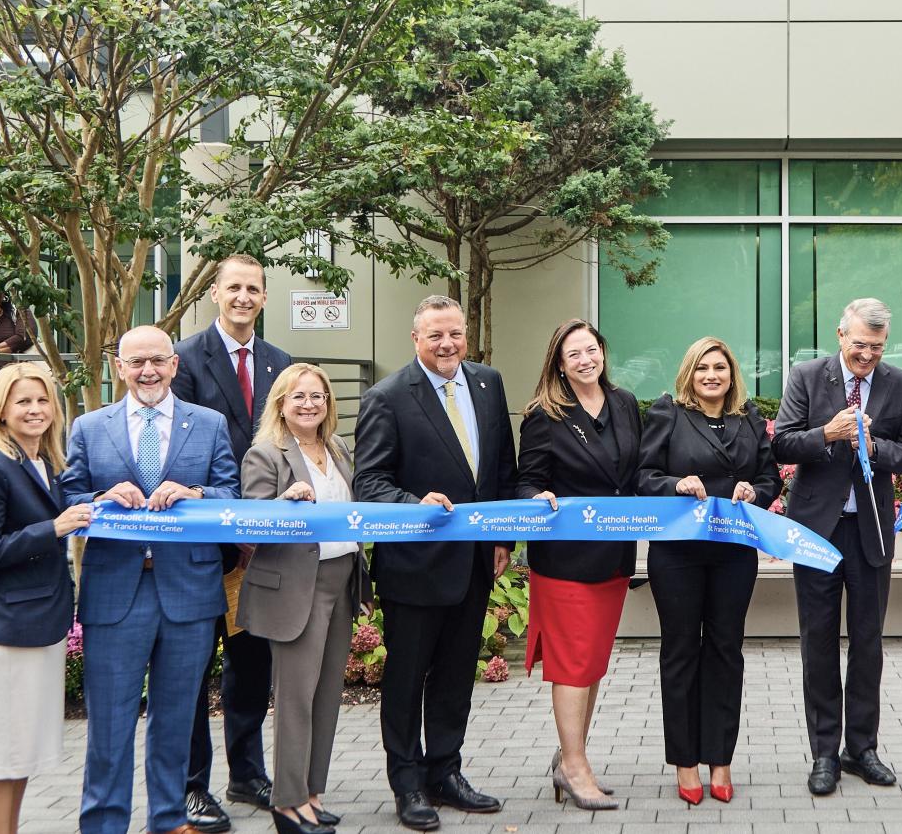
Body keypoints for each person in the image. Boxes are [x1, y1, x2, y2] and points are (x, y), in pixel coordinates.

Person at [62, 325, 240, 834]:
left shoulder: (207, 424)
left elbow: (231, 493)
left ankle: (167, 818)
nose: (148, 371)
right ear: (119, 367)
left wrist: (196, 493)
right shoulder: (89, 428)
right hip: (116, 593)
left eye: (157, 361)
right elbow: (68, 497)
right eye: (136, 362)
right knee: (110, 725)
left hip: (188, 592)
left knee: (176, 719)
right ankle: (103, 823)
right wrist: (98, 499)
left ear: (174, 365)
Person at [353, 295, 518, 831]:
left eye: (455, 334)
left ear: (466, 335)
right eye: (435, 336)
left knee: (454, 677)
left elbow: (501, 471)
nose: (446, 345)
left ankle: (446, 772)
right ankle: (407, 783)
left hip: (474, 563)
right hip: (415, 567)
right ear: (415, 339)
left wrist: (503, 539)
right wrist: (412, 504)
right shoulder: (388, 397)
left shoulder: (488, 384)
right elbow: (370, 482)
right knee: (406, 680)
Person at [771, 298, 902, 796]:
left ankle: (862, 748)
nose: (867, 356)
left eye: (876, 348)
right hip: (817, 530)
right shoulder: (806, 376)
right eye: (859, 345)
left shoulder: (901, 384)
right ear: (841, 335)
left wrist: (876, 449)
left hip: (870, 534)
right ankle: (823, 752)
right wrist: (827, 434)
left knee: (867, 643)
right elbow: (783, 444)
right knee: (817, 641)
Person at [172, 253, 292, 831]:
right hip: (205, 547)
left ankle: (247, 774)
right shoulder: (187, 359)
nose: (244, 297)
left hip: (260, 548)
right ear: (215, 294)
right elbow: (185, 446)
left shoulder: (280, 363)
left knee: (251, 665)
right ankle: (193, 785)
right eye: (234, 287)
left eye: (254, 288)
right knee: (195, 669)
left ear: (264, 297)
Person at [637, 337, 782, 805]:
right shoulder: (667, 413)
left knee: (725, 650)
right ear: (689, 373)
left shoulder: (749, 418)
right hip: (678, 551)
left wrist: (754, 492)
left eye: (720, 367)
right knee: (680, 651)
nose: (712, 375)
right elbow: (643, 476)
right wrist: (675, 482)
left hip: (733, 551)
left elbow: (770, 477)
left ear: (731, 373)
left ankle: (720, 759)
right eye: (702, 368)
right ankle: (684, 762)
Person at [0, 363, 92, 833]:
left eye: (42, 400)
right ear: (2, 411)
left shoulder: (47, 464)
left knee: (21, 756)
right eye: (23, 402)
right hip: (4, 631)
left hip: (37, 625)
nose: (35, 410)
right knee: (0, 756)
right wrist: (51, 529)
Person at [237, 364, 370, 834]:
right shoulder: (265, 454)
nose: (310, 404)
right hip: (297, 585)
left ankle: (313, 794)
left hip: (341, 579)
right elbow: (250, 521)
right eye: (299, 397)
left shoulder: (336, 448)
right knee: (296, 699)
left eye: (318, 396)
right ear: (280, 404)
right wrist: (283, 503)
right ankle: (287, 802)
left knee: (328, 695)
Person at [517, 319, 641, 811]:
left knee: (591, 664)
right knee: (571, 664)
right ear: (560, 365)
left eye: (591, 349)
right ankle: (573, 765)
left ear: (602, 352)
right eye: (574, 355)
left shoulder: (626, 403)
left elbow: (635, 473)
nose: (586, 359)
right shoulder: (543, 415)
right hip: (566, 559)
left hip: (613, 556)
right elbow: (525, 480)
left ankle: (573, 757)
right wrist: (537, 496)